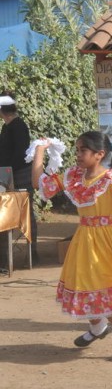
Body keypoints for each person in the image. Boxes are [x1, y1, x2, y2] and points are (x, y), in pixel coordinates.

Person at [32, 132, 112, 361]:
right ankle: (99, 327)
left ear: (99, 154)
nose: (78, 155)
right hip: (85, 240)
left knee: (104, 294)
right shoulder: (74, 175)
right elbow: (39, 184)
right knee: (85, 289)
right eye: (77, 150)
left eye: (83, 150)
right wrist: (40, 150)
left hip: (109, 243)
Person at [0, 93, 38, 263]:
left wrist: (7, 172)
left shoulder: (19, 126)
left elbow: (20, 154)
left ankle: (33, 252)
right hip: (7, 174)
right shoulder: (6, 127)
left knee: (27, 212)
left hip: (20, 175)